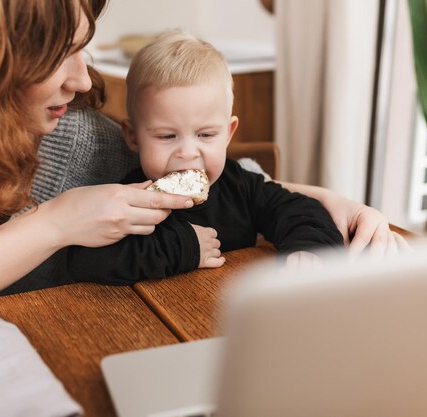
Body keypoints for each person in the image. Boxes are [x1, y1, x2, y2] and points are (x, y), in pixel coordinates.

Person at [0, 0, 407, 332]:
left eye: (84, 46)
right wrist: (53, 224)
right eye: (59, 54)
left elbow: (195, 182)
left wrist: (331, 201)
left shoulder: (82, 134)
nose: (84, 79)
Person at [59, 31, 344, 284]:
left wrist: (308, 250)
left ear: (228, 133)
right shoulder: (131, 198)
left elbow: (302, 212)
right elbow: (86, 261)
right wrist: (185, 247)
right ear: (133, 137)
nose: (188, 152)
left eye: (206, 135)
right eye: (167, 136)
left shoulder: (241, 186)